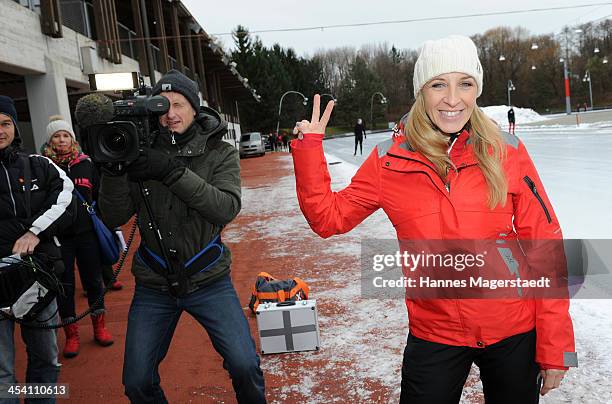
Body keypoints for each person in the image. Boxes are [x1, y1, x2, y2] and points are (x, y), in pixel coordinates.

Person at [291, 35, 576, 403]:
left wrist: (557, 348)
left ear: (477, 90)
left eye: (465, 84)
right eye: (438, 84)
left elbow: (546, 247)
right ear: (420, 92)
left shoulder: (508, 152)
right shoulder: (387, 160)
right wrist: (309, 149)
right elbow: (327, 219)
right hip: (435, 334)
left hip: (513, 331)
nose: (453, 98)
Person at [98, 69, 265, 403]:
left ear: (195, 108)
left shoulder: (220, 151)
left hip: (209, 279)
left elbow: (225, 208)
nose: (170, 114)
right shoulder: (138, 148)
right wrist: (115, 168)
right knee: (137, 382)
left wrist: (171, 171)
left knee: (245, 365)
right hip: (153, 283)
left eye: (178, 104)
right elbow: (113, 216)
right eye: (162, 106)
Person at [0, 96, 75, 403]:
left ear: (15, 127)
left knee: (46, 360)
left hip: (37, 279)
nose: (0, 131)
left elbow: (67, 200)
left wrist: (34, 231)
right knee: (2, 373)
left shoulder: (39, 164)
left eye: (5, 123)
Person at [41, 116, 113, 358]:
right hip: (59, 238)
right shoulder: (43, 166)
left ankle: (99, 327)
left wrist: (106, 224)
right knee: (65, 286)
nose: (61, 140)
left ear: (72, 138)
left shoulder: (87, 164)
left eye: (65, 135)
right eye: (56, 136)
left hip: (87, 235)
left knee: (93, 281)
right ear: (49, 141)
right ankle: (71, 335)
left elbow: (100, 194)